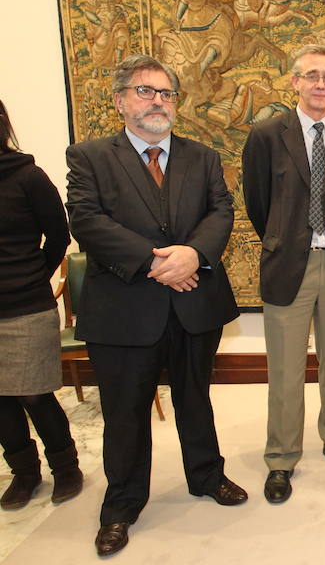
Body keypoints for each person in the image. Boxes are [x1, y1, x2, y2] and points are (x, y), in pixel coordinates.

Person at [66, 55, 246, 557]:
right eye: (146, 91)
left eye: (165, 93)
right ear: (121, 100)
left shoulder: (202, 157)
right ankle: (121, 506)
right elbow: (86, 220)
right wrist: (154, 263)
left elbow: (221, 210)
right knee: (125, 414)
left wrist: (193, 254)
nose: (157, 101)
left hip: (195, 304)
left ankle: (207, 476)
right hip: (125, 309)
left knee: (196, 399)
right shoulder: (89, 157)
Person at [242, 44, 325, 504]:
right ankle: (281, 458)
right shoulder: (266, 135)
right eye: (311, 75)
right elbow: (257, 202)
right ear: (294, 82)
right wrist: (285, 238)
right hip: (287, 266)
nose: (320, 84)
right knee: (286, 371)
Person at [0, 99, 81, 510]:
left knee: (34, 394)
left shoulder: (27, 177)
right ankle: (24, 473)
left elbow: (58, 236)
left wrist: (31, 277)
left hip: (25, 306)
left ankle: (65, 467)